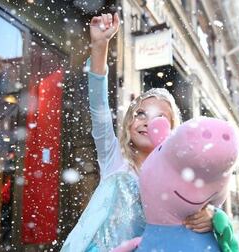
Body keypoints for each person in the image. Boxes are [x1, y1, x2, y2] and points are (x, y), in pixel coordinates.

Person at [61, 13, 216, 252]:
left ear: (172, 132)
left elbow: (203, 202)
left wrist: (210, 216)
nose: (146, 123)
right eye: (141, 114)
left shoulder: (176, 176)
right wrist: (100, 46)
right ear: (130, 121)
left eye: (159, 118)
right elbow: (99, 107)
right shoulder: (114, 158)